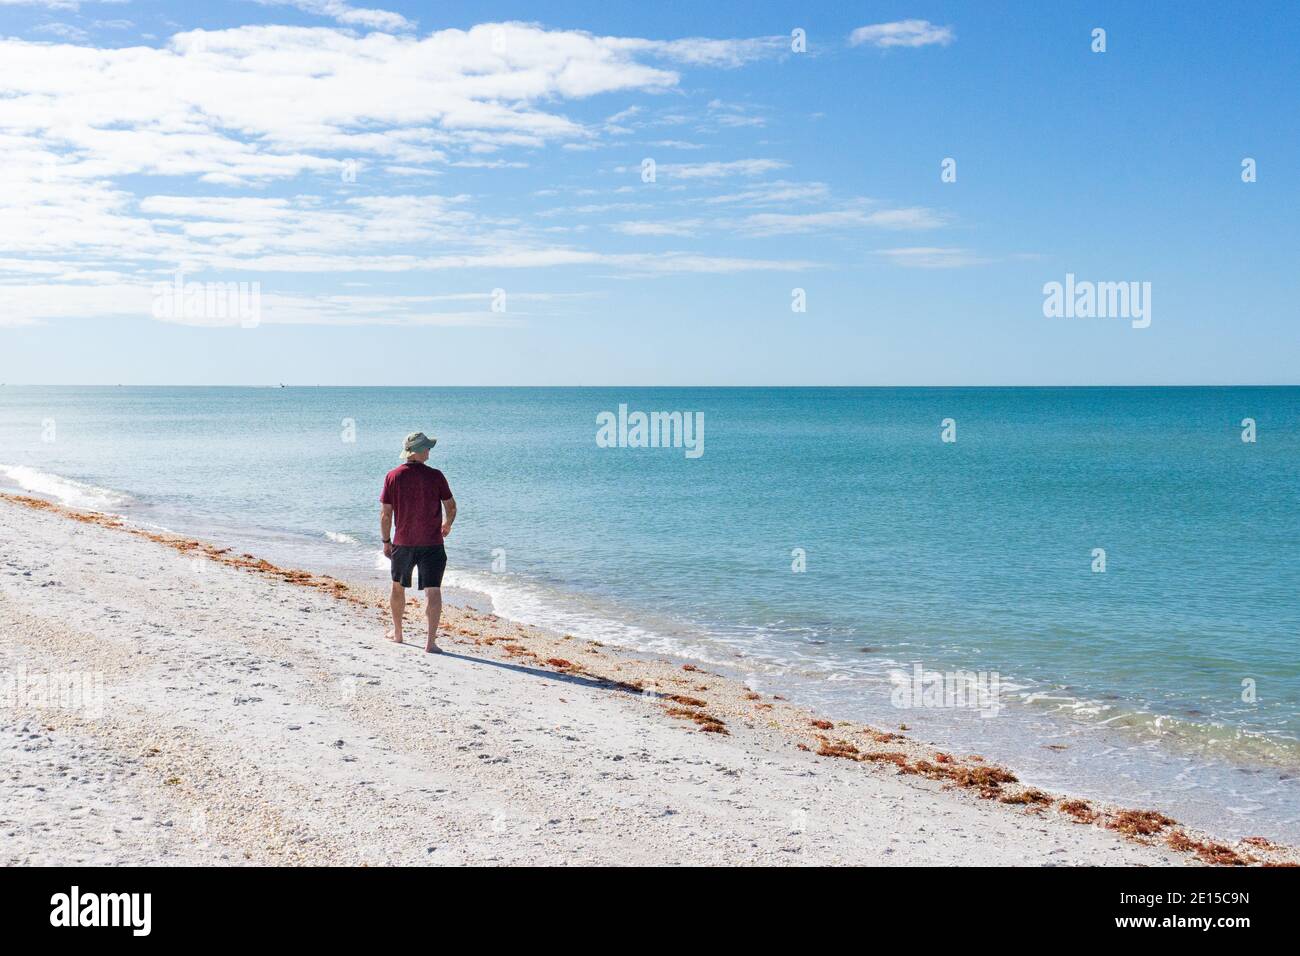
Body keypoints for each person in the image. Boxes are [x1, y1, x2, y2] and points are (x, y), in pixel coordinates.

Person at [380, 431, 456, 653]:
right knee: (433, 591)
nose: (429, 451)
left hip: (402, 543)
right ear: (419, 451)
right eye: (427, 448)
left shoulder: (392, 476)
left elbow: (385, 514)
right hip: (432, 544)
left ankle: (398, 633)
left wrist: (386, 541)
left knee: (397, 587)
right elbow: (451, 506)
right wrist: (447, 524)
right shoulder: (436, 476)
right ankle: (430, 643)